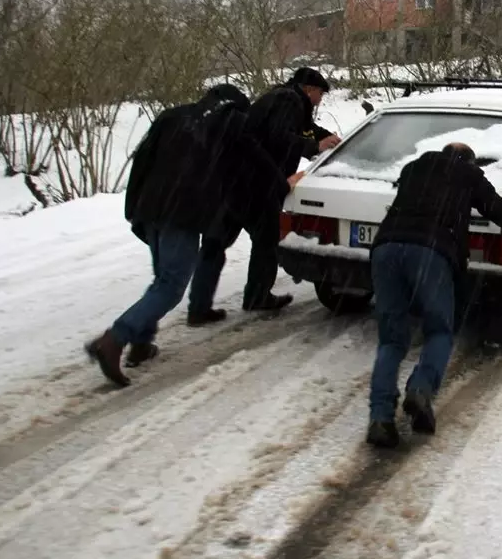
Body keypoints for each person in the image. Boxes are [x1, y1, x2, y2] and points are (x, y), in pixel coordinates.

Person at [85, 85, 302, 387]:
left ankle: (142, 342)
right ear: (236, 107)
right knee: (172, 286)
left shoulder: (172, 115)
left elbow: (143, 159)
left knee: (162, 278)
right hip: (182, 212)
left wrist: (134, 208)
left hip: (150, 206)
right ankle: (114, 340)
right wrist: (282, 184)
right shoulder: (234, 122)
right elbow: (257, 158)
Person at [366, 142, 502, 449]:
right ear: (469, 160)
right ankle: (421, 388)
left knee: (391, 339)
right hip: (430, 252)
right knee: (439, 329)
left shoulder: (413, 168)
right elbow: (497, 210)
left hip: (385, 248)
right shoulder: (468, 174)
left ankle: (380, 418)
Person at [187, 67, 342, 318]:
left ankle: (198, 307)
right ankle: (258, 296)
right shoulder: (289, 100)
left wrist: (327, 139)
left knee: (215, 242)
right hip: (258, 183)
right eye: (320, 94)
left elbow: (303, 129)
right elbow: (280, 136)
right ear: (310, 89)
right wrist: (315, 145)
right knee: (267, 240)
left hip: (233, 180)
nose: (320, 100)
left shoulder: (279, 97)